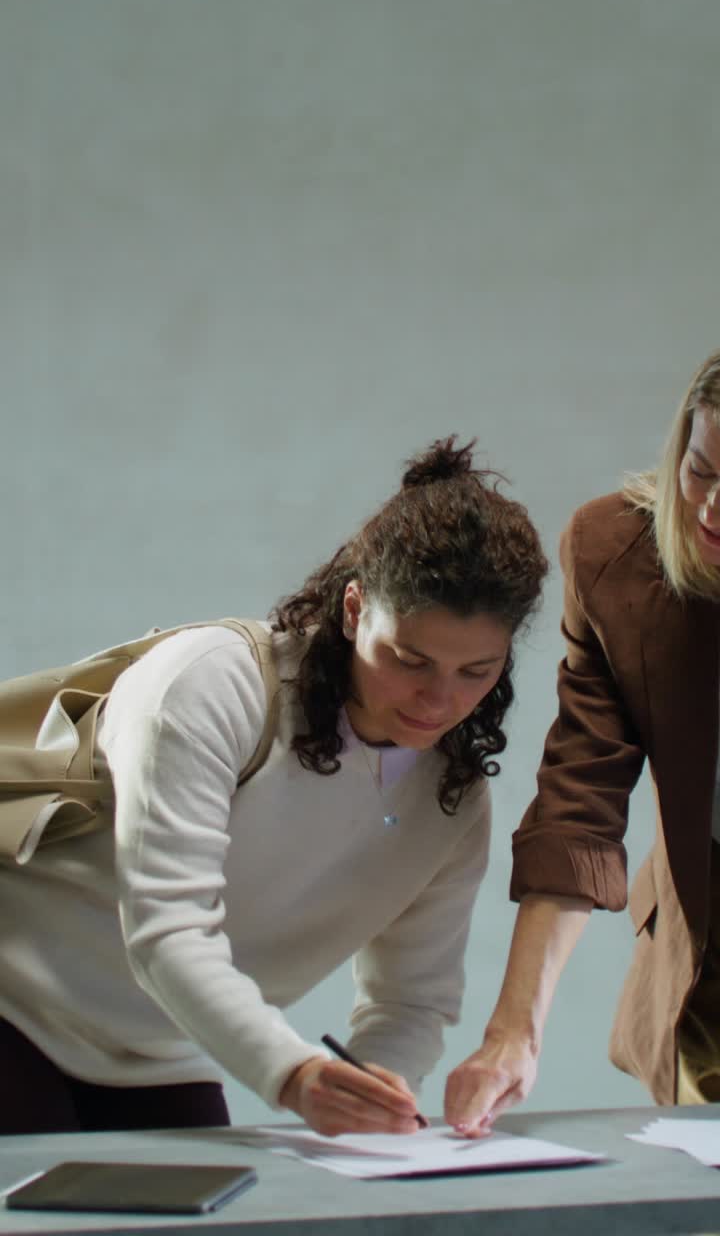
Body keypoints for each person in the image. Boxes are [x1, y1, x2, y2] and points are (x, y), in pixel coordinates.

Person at [0, 436, 547, 1137]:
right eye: (410, 659)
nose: (438, 700)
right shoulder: (209, 685)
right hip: (13, 1002)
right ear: (354, 611)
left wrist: (376, 1090)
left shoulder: (452, 800)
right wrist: (293, 1075)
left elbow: (411, 1002)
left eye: (477, 671)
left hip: (155, 1052)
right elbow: (168, 932)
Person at [444, 350, 720, 1136]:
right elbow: (579, 803)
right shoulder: (617, 559)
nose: (711, 513)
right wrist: (513, 1035)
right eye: (699, 472)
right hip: (708, 966)